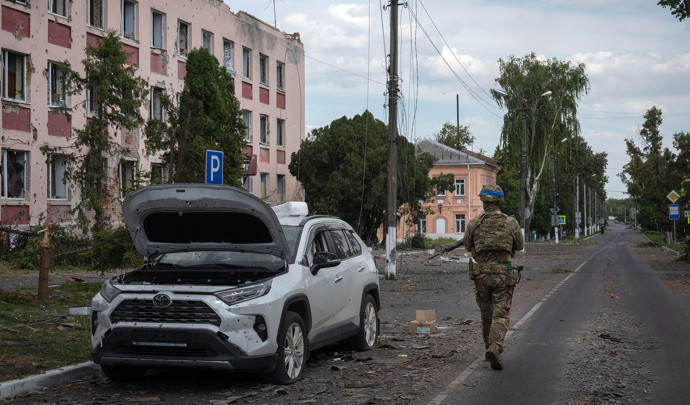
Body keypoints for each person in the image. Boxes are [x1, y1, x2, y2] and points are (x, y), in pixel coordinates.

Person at [443, 184, 524, 370]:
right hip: (503, 274)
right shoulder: (510, 223)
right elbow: (519, 246)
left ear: (483, 201)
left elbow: (467, 245)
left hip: (481, 275)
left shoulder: (474, 223)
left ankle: (489, 347)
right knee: (501, 313)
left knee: (486, 314)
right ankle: (495, 347)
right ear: (500, 201)